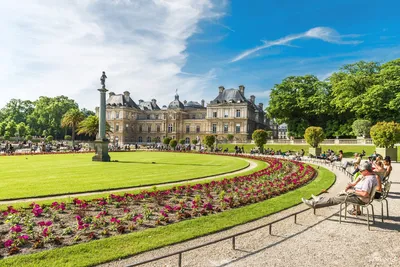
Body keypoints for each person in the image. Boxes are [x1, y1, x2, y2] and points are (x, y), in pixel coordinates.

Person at [302, 161, 378, 211]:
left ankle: (314, 204)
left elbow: (365, 194)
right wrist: (353, 187)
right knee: (337, 196)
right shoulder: (372, 176)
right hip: (360, 197)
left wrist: (353, 191)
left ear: (367, 171)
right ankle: (319, 199)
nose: (360, 172)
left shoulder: (369, 180)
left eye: (361, 171)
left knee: (335, 199)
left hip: (360, 199)